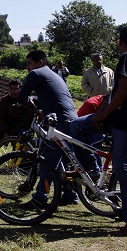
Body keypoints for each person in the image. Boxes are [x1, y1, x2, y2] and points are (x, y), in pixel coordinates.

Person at [71, 26, 127, 236]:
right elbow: (116, 91)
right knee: (79, 126)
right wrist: (102, 113)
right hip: (124, 119)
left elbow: (125, 90)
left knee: (122, 164)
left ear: (120, 40)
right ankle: (92, 171)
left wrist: (104, 115)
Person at [17, 50, 78, 207]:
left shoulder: (36, 74)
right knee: (63, 160)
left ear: (40, 62)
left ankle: (40, 198)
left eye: (30, 63)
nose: (28, 67)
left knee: (47, 162)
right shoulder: (54, 74)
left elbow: (21, 97)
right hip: (71, 119)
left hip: (59, 122)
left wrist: (30, 102)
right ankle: (70, 193)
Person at [0, 78, 33, 168]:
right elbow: (2, 118)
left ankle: (22, 164)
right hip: (7, 130)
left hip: (20, 129)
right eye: (12, 89)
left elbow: (25, 121)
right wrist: (5, 132)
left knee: (23, 136)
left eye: (16, 89)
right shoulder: (4, 100)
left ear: (20, 89)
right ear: (8, 89)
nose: (14, 91)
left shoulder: (27, 101)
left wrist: (12, 135)